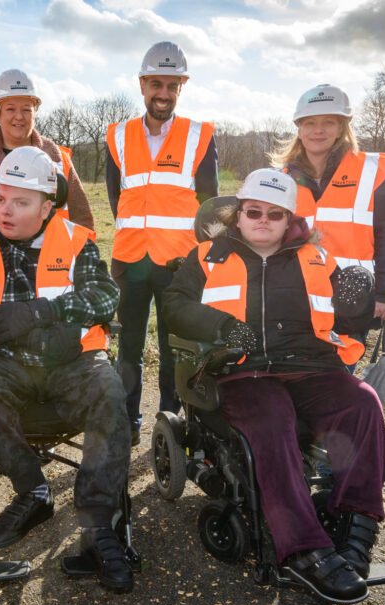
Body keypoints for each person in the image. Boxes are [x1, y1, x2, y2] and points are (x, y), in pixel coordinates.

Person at [162, 169, 385, 605]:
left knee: (363, 403)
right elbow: (174, 305)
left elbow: (348, 319)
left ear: (289, 221)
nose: (262, 220)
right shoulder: (207, 256)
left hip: (310, 367)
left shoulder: (318, 259)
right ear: (239, 215)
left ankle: (354, 534)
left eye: (274, 214)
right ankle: (304, 549)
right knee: (271, 413)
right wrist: (224, 326)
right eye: (253, 212)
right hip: (243, 371)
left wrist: (360, 308)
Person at [0, 146, 134, 592]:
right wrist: (40, 331)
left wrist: (39, 312)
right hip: (3, 366)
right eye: (1, 198)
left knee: (110, 389)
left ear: (47, 207)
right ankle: (34, 492)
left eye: (20, 202)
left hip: (72, 364)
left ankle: (98, 526)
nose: (5, 210)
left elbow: (106, 298)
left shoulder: (77, 240)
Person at [105, 41, 218, 446]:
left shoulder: (199, 136)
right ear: (142, 84)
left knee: (176, 349)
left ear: (181, 88)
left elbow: (211, 206)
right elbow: (116, 197)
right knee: (129, 345)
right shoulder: (117, 136)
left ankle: (170, 421)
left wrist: (200, 259)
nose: (164, 93)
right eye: (156, 83)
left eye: (172, 85)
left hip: (179, 265)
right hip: (131, 260)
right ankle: (129, 418)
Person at [274, 83, 385, 346]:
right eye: (309, 123)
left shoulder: (369, 172)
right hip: (299, 296)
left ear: (342, 127)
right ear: (299, 129)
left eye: (328, 122)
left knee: (340, 374)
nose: (318, 130)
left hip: (352, 299)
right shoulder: (284, 179)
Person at [0, 69, 94, 242]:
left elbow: (82, 219)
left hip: (49, 265)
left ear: (35, 112)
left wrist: (79, 260)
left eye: (26, 109)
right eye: (10, 109)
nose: (19, 116)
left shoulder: (58, 160)